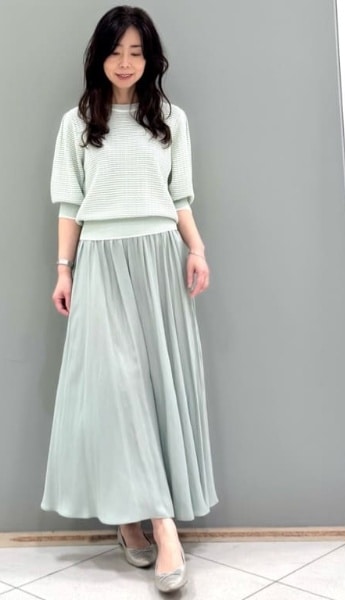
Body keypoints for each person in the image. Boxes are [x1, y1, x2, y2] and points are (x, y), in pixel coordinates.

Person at [40, 5, 218, 593]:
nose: (125, 63)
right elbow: (70, 204)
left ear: (150, 59)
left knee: (156, 389)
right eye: (116, 52)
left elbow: (180, 196)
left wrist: (197, 250)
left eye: (136, 53)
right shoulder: (76, 124)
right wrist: (63, 270)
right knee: (117, 393)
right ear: (99, 56)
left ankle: (143, 524)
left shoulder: (171, 120)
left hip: (160, 259)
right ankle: (156, 526)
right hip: (100, 261)